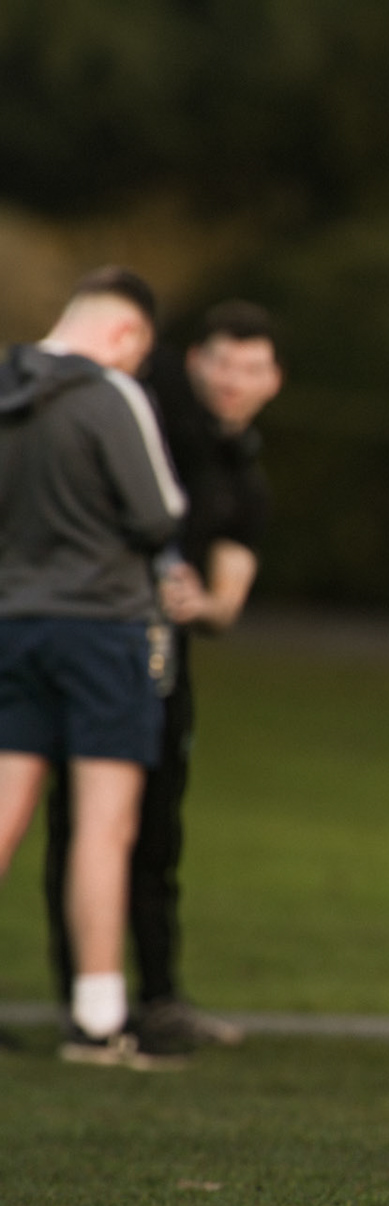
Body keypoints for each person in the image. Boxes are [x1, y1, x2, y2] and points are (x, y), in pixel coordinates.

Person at [41, 300, 278, 1062]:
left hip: (159, 656)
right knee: (82, 823)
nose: (232, 380)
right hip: (96, 638)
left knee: (154, 828)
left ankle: (154, 997)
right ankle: (88, 992)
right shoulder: (151, 417)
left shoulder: (244, 467)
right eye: (220, 362)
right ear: (190, 363)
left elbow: (227, 592)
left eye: (251, 367)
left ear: (274, 379)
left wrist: (202, 601)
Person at [0, 267, 187, 1067]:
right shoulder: (113, 392)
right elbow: (158, 513)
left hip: (12, 620)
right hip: (103, 628)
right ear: (127, 334)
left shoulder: (7, 381)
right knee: (103, 828)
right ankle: (98, 1015)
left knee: (4, 814)